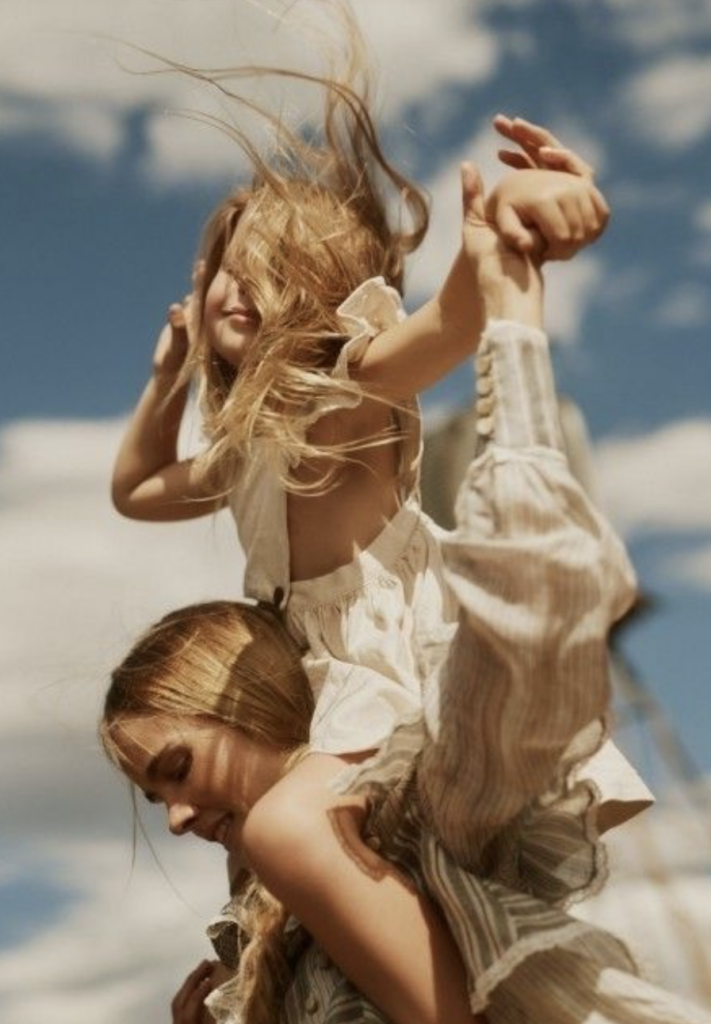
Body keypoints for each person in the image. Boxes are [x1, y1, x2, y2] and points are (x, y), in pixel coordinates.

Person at [100, 160, 711, 1024]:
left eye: (268, 268)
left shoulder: (344, 396)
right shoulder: (245, 452)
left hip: (382, 676)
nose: (237, 290)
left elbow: (451, 322)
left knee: (281, 833)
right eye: (226, 270)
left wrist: (497, 230)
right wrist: (167, 374)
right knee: (268, 872)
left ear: (317, 291)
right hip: (309, 693)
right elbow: (132, 489)